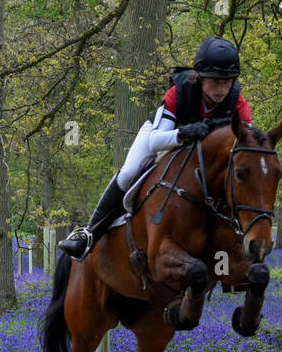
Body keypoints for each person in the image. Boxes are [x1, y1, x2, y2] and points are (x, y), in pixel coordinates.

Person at [58, 36, 255, 261]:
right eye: (214, 81)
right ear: (200, 78)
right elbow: (155, 141)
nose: (221, 89)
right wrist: (184, 133)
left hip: (206, 156)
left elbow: (246, 145)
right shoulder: (180, 91)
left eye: (227, 81)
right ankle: (89, 235)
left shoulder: (238, 101)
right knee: (130, 171)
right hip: (165, 135)